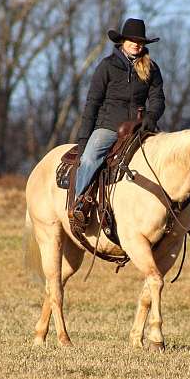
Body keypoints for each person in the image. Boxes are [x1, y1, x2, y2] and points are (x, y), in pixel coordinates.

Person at [70, 18, 165, 227]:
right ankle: (79, 205)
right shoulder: (107, 67)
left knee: (168, 157)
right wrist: (84, 138)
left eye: (140, 41)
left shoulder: (152, 68)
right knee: (89, 159)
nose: (137, 44)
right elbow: (92, 103)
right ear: (123, 41)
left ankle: (174, 210)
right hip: (109, 126)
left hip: (141, 128)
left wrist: (150, 118)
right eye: (132, 40)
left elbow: (158, 99)